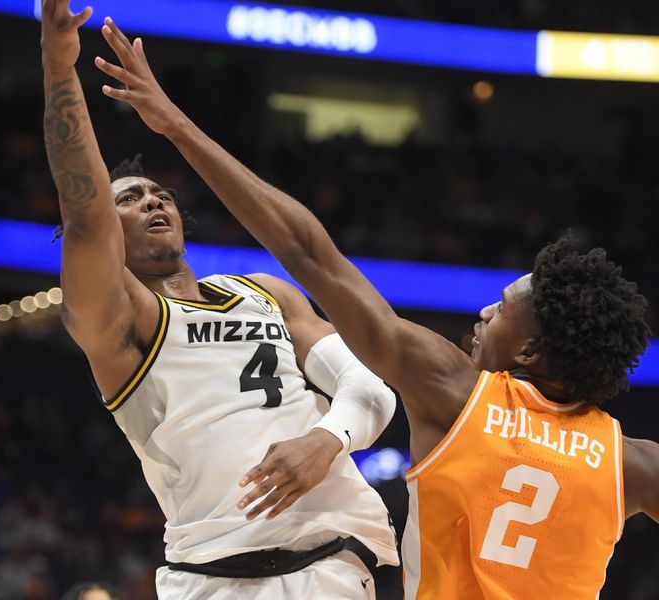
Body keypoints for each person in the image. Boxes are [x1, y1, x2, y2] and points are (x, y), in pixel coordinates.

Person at [94, 15, 659, 599]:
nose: (486, 312)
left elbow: (307, 252)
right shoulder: (631, 463)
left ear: (529, 350)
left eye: (505, 307)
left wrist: (179, 128)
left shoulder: (457, 393)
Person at [40, 2, 399, 598]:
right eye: (130, 199)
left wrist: (326, 440)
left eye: (160, 194)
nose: (154, 202)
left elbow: (371, 389)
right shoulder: (122, 322)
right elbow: (84, 212)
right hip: (209, 578)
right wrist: (59, 74)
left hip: (329, 561)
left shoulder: (266, 294)